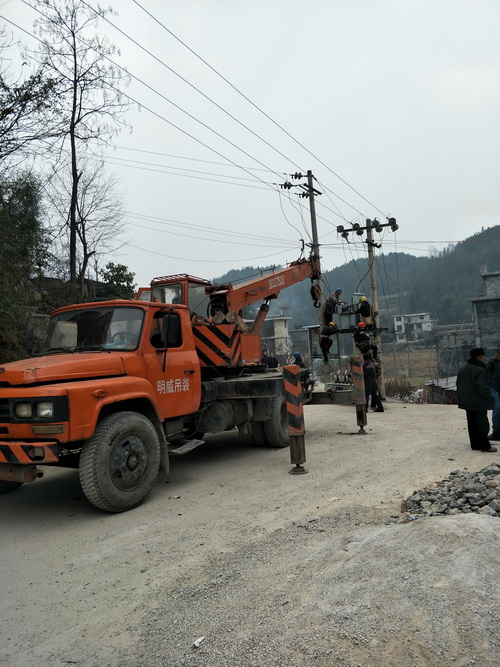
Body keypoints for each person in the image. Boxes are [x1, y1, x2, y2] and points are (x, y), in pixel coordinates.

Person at [456, 347, 497, 453]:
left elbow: (458, 384)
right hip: (478, 402)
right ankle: (485, 446)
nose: (485, 358)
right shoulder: (480, 370)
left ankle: (475, 444)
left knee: (472, 424)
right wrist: (491, 398)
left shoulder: (464, 369)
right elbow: (483, 387)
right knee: (482, 424)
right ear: (480, 357)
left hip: (466, 401)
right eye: (484, 356)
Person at [486, 345, 500, 441]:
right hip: (495, 389)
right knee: (497, 408)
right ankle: (497, 432)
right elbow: (486, 373)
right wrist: (493, 379)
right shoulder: (492, 361)